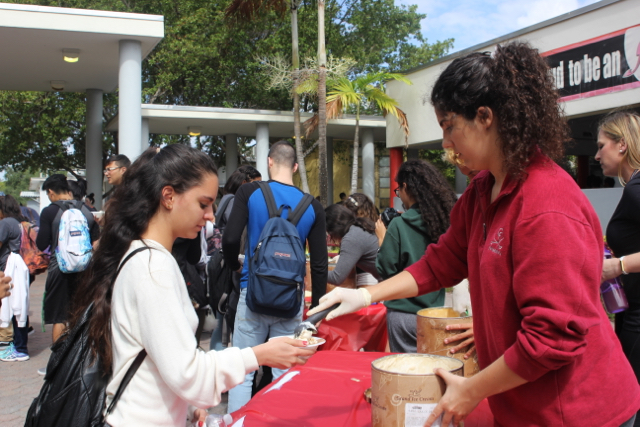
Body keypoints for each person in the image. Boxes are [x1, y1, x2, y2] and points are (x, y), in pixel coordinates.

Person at [308, 42, 640, 427]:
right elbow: (440, 263)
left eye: (449, 127)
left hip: (576, 411)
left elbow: (552, 338)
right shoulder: (482, 191)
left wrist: (474, 388)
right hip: (520, 406)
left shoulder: (547, 204)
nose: (445, 143)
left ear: (485, 117)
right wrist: (367, 294)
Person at [66, 145, 315, 427]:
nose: (211, 215)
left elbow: (163, 364)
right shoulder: (153, 266)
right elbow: (189, 374)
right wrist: (259, 354)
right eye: (203, 204)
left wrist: (187, 407)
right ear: (169, 197)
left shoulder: (146, 256)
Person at [222, 140, 328, 413]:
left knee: (243, 371)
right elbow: (319, 264)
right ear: (294, 166)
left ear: (269, 162)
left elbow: (231, 238)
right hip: (290, 302)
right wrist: (315, 310)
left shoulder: (248, 192)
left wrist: (235, 265)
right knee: (285, 372)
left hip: (253, 293)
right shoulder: (312, 206)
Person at [376, 160, 458, 353]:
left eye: (398, 190)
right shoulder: (445, 223)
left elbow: (385, 269)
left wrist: (382, 240)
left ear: (405, 186)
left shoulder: (399, 225)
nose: (399, 197)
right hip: (433, 313)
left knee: (406, 373)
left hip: (402, 312)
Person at [596, 110, 640, 426]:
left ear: (621, 145)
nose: (596, 155)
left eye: (602, 145)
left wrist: (618, 266)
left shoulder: (637, 187)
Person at [36, 175, 100, 349]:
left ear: (50, 192)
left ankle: (58, 365)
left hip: (60, 270)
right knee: (81, 313)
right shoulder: (87, 210)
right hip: (85, 269)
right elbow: (96, 241)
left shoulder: (50, 211)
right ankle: (79, 361)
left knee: (60, 317)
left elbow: (42, 244)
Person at [210, 166, 262, 352]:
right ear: (244, 183)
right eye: (256, 183)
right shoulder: (235, 202)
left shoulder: (225, 199)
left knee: (221, 316)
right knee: (228, 311)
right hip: (230, 261)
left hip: (221, 260)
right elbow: (235, 235)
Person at [0, 195, 30, 362]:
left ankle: (9, 347)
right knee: (20, 308)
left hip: (7, 271)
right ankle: (21, 347)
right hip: (21, 270)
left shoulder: (5, 223)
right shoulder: (21, 222)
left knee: (8, 308)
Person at [325, 204, 380, 286]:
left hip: (392, 282)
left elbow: (336, 278)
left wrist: (312, 271)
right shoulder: (358, 228)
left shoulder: (351, 238)